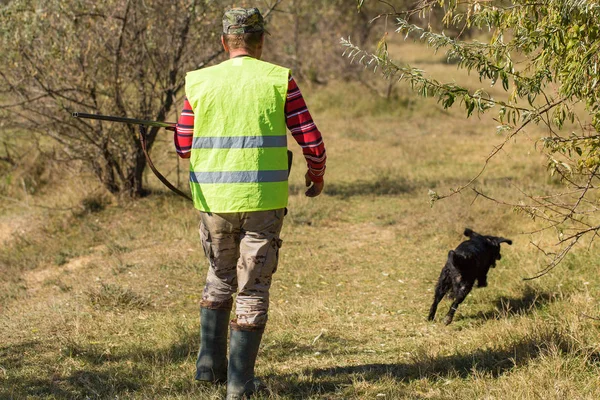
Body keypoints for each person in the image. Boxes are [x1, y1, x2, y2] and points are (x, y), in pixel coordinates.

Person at [174, 7, 326, 399]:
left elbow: (182, 147)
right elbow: (310, 138)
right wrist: (316, 173)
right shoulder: (279, 80)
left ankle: (209, 367)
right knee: (252, 287)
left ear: (224, 42)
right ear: (261, 43)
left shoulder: (199, 82)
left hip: (215, 202)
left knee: (219, 274)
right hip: (264, 201)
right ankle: (239, 385)